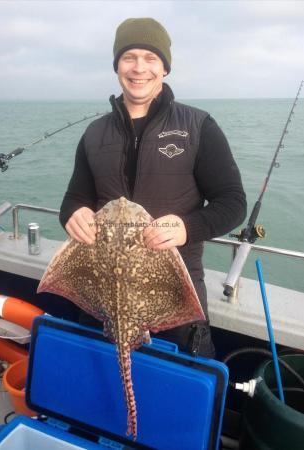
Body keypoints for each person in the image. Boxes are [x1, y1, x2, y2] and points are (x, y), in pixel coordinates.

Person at [59, 18, 247, 358]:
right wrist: (75, 214)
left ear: (164, 67)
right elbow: (75, 200)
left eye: (150, 57)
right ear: (117, 65)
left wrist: (187, 227)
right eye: (129, 57)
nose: (139, 68)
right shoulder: (94, 133)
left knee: (172, 399)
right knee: (101, 399)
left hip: (173, 299)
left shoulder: (199, 126)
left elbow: (233, 203)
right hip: (103, 299)